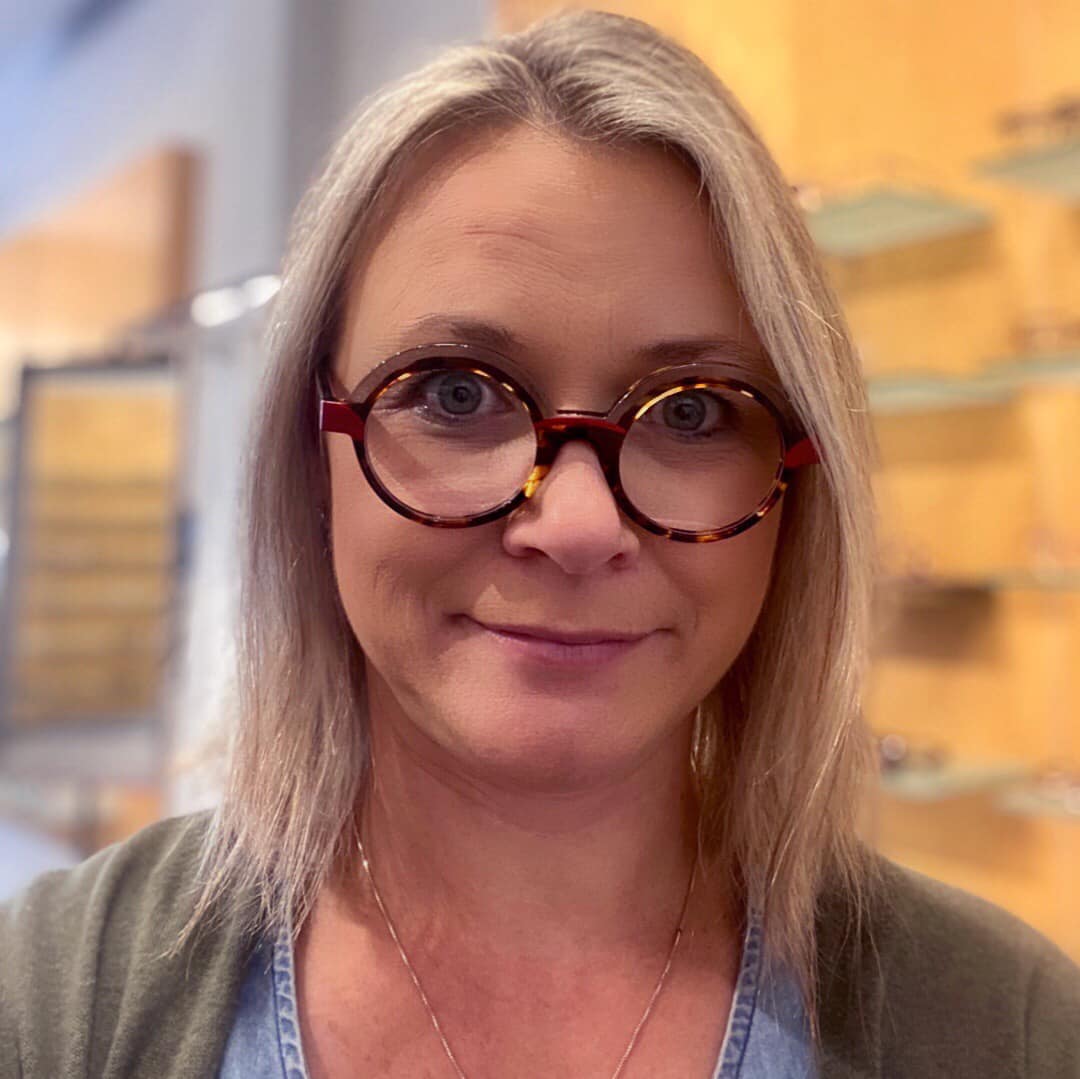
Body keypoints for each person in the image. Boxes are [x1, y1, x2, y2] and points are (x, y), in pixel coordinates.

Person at [2, 10, 1078, 1079]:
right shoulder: (51, 1004)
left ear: (800, 486)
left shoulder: (1011, 1027)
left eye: (693, 411)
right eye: (455, 393)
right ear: (311, 454)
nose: (576, 525)